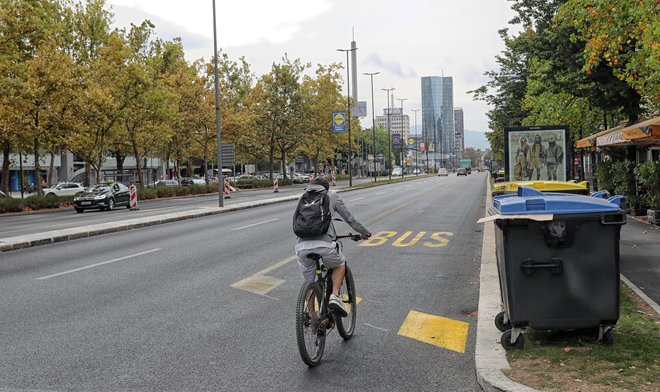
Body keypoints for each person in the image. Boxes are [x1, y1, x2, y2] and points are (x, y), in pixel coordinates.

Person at [294, 177, 371, 316]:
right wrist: (364, 232)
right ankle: (335, 296)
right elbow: (350, 218)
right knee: (340, 265)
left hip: (301, 247)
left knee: (309, 281)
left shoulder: (303, 197)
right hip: (324, 245)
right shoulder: (331, 195)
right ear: (326, 188)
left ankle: (311, 316)